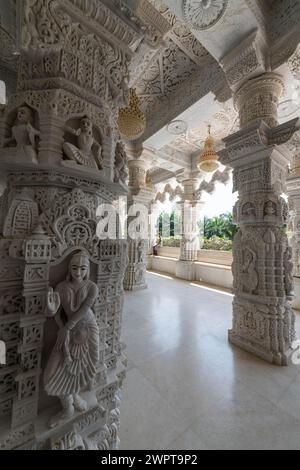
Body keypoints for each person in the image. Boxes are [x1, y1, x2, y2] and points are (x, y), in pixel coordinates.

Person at [44, 251, 99, 428]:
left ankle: (74, 398)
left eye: (83, 268)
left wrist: (67, 328)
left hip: (88, 329)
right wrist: (51, 310)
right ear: (69, 268)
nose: (78, 272)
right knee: (52, 372)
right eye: (74, 268)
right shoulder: (61, 287)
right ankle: (67, 409)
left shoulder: (91, 287)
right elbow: (57, 314)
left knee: (81, 369)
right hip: (67, 332)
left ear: (87, 270)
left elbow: (84, 309)